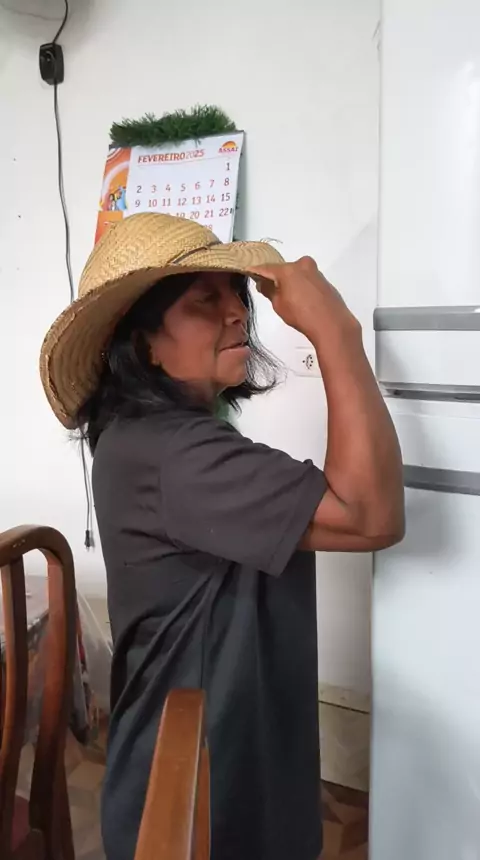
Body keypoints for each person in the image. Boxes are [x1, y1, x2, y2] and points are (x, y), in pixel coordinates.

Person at [39, 213, 404, 860]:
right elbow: (370, 514)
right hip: (195, 797)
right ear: (145, 346)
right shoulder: (176, 455)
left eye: (234, 291)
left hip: (205, 764)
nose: (237, 311)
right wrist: (336, 330)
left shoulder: (150, 439)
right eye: (203, 300)